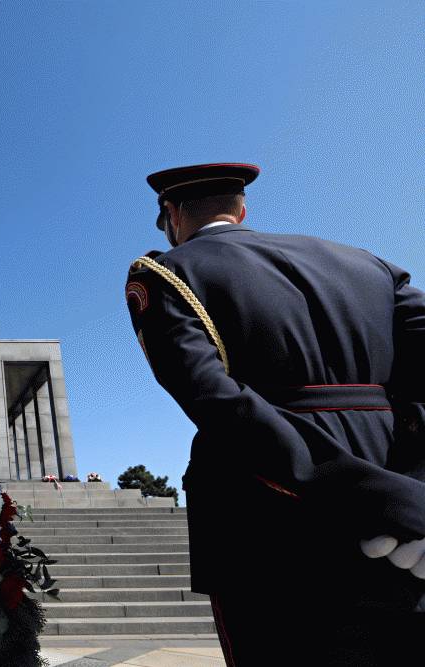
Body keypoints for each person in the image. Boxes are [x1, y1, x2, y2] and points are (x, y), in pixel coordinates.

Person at [124, 163, 425, 665]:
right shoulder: (371, 265)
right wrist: (412, 489)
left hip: (267, 517)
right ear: (242, 210)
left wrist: (372, 497)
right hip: (406, 507)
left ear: (172, 215)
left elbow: (217, 401)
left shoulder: (169, 273)